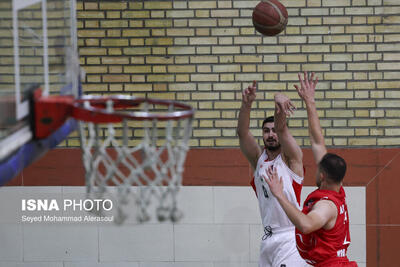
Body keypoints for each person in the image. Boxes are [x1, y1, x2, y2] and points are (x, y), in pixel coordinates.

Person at [264, 72, 358, 267]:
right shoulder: (337, 189)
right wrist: (309, 101)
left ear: (322, 175)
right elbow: (317, 140)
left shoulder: (325, 206)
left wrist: (279, 195)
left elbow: (306, 225)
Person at [237, 81, 308, 267]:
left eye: (274, 131)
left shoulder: (291, 160)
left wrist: (279, 101)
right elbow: (242, 133)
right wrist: (247, 104)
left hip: (291, 236)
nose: (271, 134)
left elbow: (283, 128)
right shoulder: (258, 160)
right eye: (266, 131)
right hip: (268, 238)